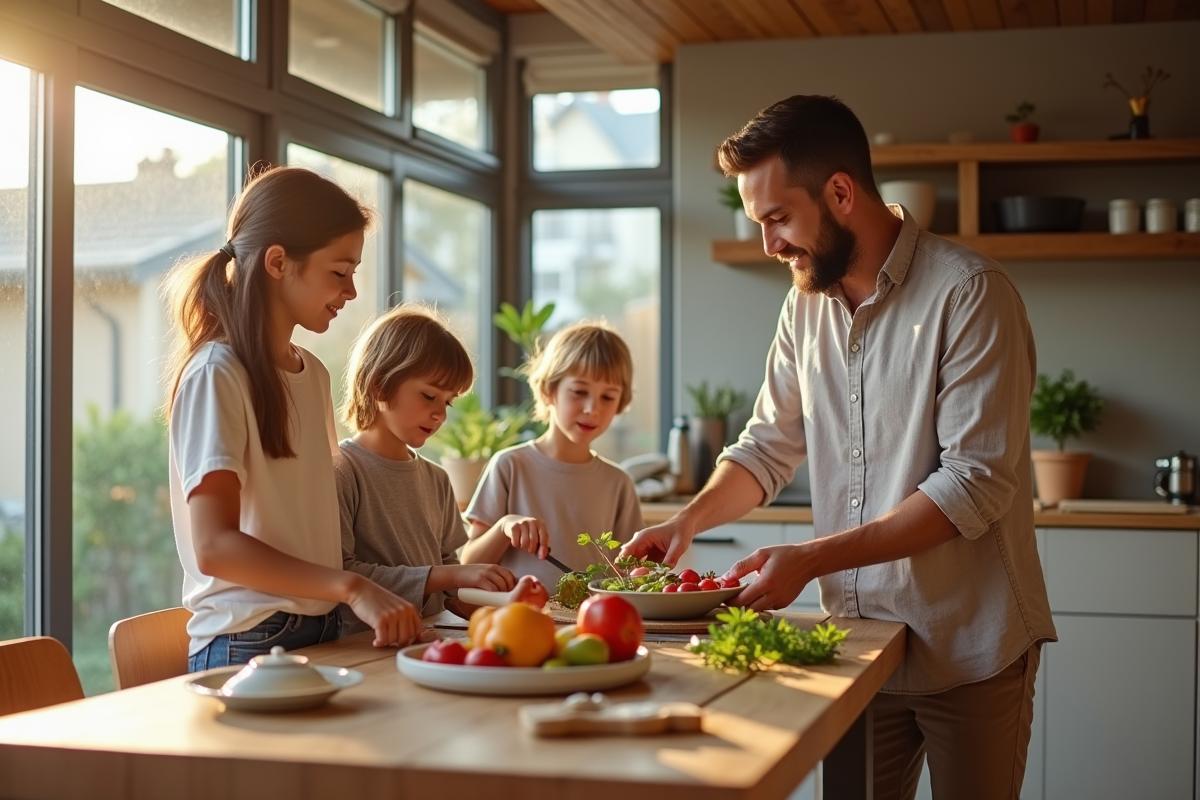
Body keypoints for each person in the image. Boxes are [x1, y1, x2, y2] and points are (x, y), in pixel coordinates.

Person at [622, 95, 1056, 800]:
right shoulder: (804, 306)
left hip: (969, 647)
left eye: (778, 218)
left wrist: (813, 557)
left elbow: (972, 486)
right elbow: (767, 446)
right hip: (857, 645)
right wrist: (686, 522)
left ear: (841, 193)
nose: (769, 245)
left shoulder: (971, 294)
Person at [165, 166, 421, 671]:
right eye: (339, 272)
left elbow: (310, 524)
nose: (350, 292)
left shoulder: (314, 374)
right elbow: (215, 547)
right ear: (278, 262)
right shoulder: (218, 373)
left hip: (323, 628)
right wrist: (352, 586)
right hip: (250, 640)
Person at [335, 303, 546, 631]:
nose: (441, 415)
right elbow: (342, 574)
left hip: (427, 640)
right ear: (380, 384)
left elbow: (449, 587)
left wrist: (504, 604)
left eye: (447, 401)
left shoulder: (436, 479)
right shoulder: (342, 471)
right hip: (362, 647)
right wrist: (448, 574)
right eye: (429, 395)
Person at [461, 321, 644, 588]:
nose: (592, 408)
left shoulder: (619, 484)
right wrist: (504, 527)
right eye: (579, 392)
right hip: (516, 622)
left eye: (608, 397)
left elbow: (632, 575)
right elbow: (468, 565)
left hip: (591, 623)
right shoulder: (509, 466)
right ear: (548, 390)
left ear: (621, 403)